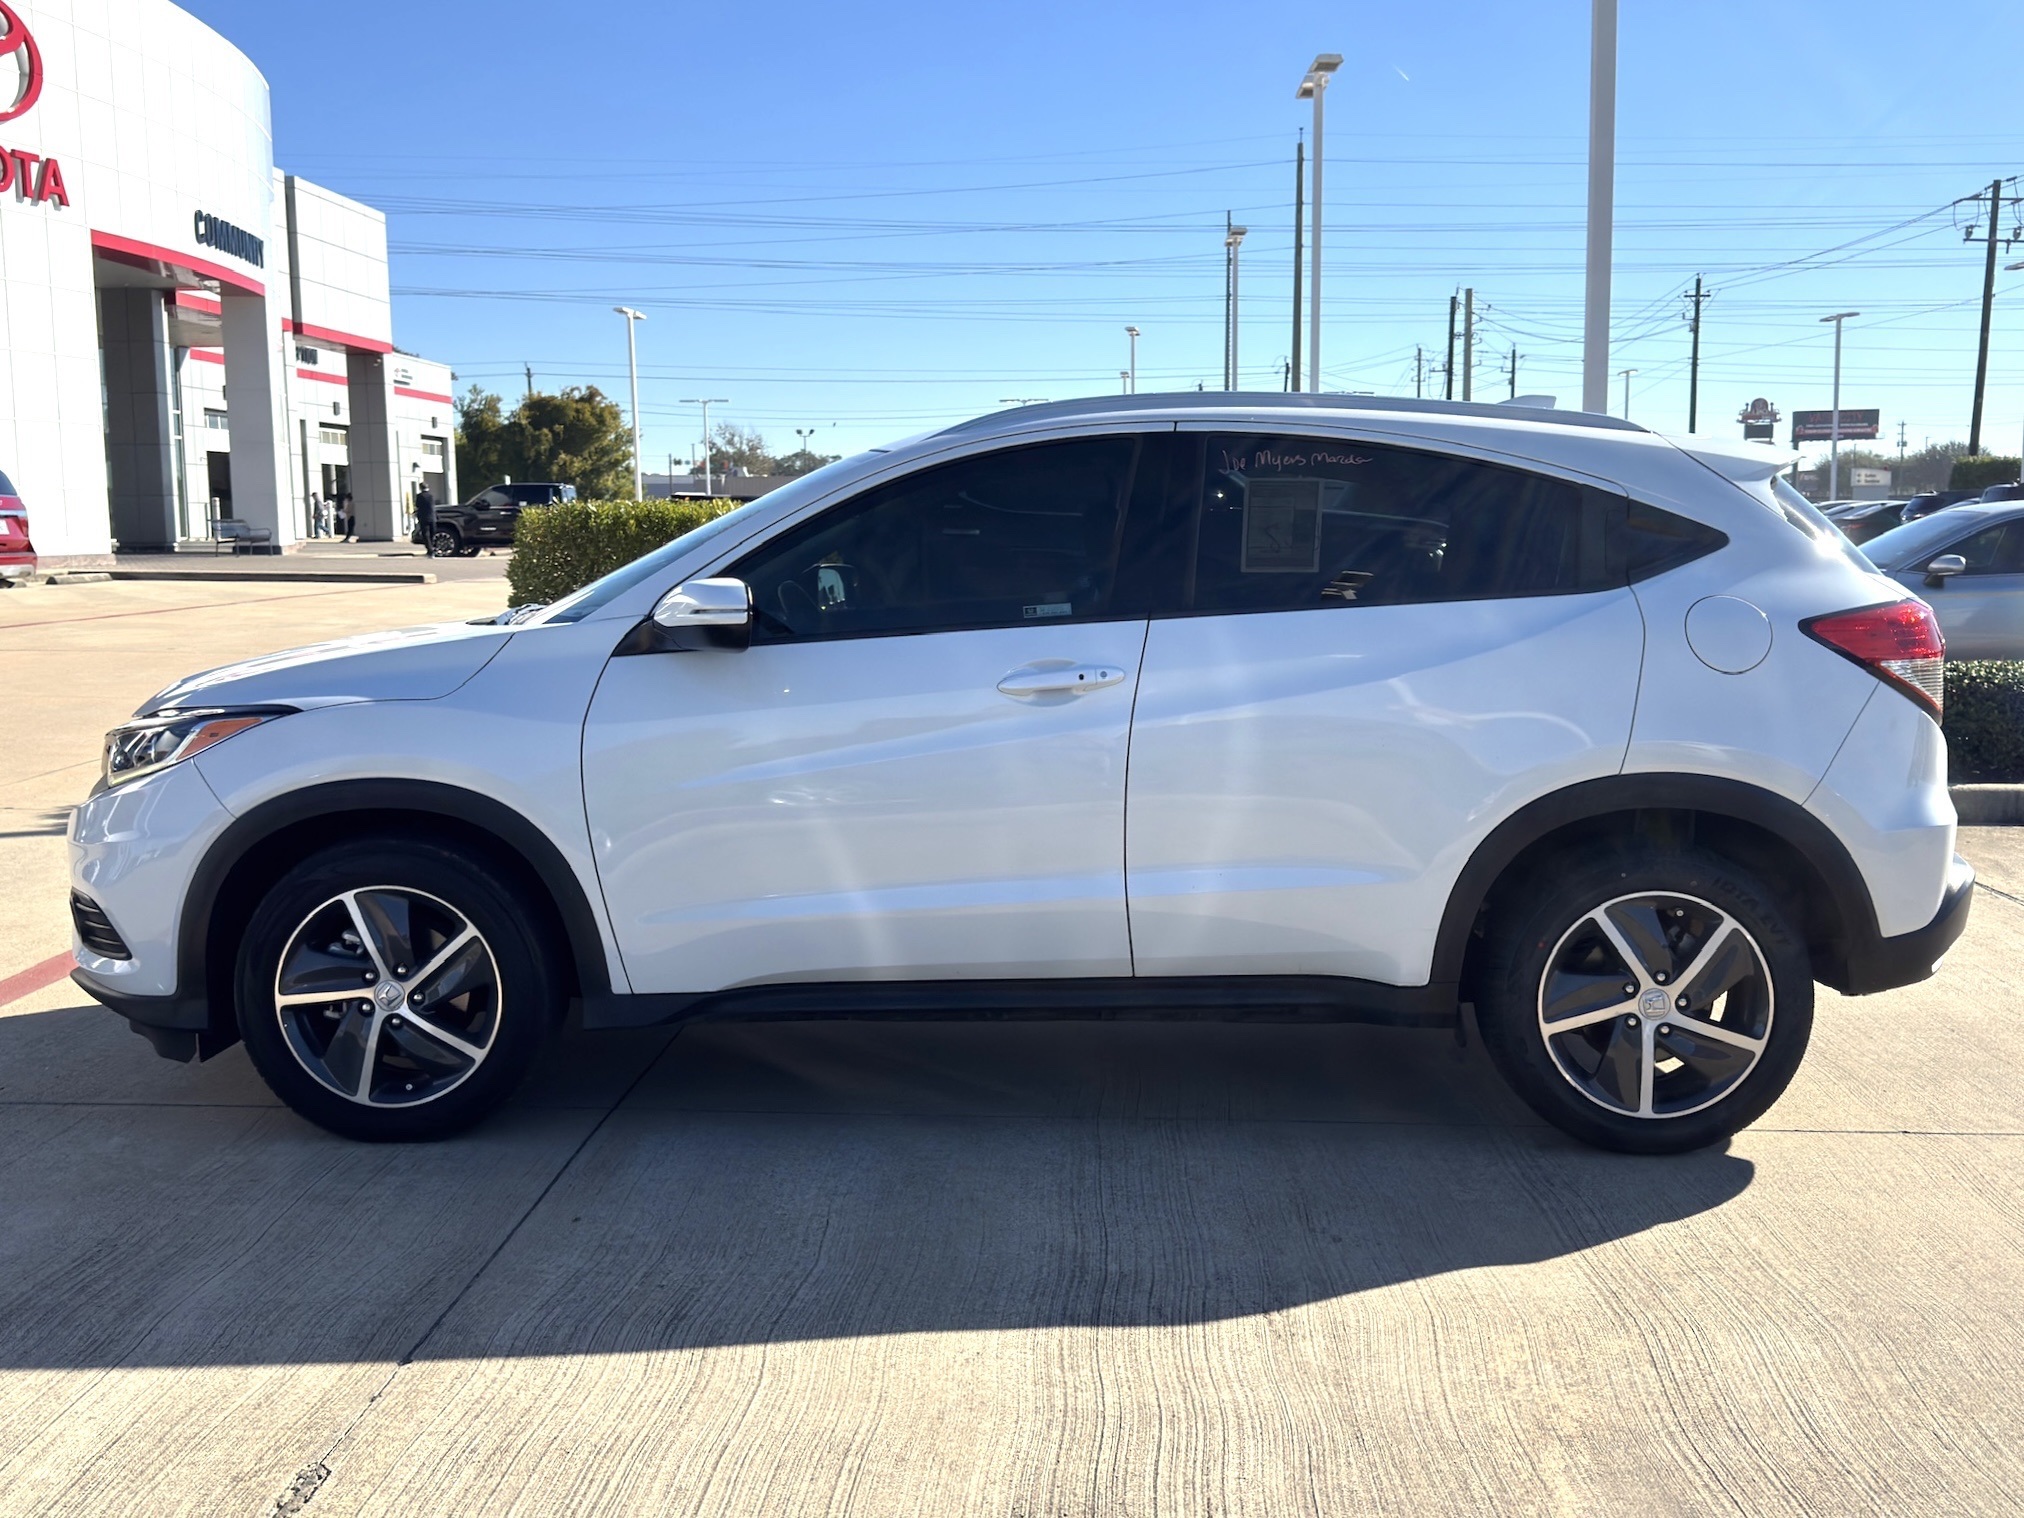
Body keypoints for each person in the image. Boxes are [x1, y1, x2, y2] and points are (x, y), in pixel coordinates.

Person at [414, 484, 436, 556]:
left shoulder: (420, 496)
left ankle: (430, 550)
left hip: (423, 517)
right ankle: (432, 547)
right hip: (432, 517)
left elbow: (417, 505)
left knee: (426, 534)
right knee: (432, 533)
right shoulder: (431, 496)